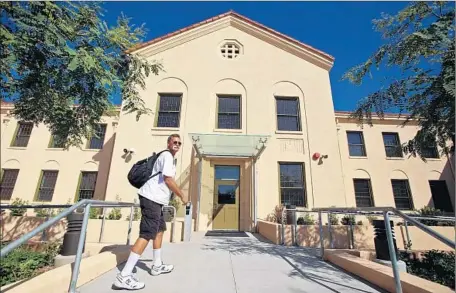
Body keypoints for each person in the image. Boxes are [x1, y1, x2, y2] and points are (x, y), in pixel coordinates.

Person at [113, 134, 187, 290]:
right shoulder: (167, 155)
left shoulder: (169, 158)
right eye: (174, 142)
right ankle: (124, 276)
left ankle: (157, 265)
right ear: (168, 143)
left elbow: (165, 180)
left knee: (159, 230)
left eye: (179, 143)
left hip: (157, 200)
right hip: (151, 198)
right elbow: (168, 179)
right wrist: (182, 195)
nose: (177, 144)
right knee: (147, 234)